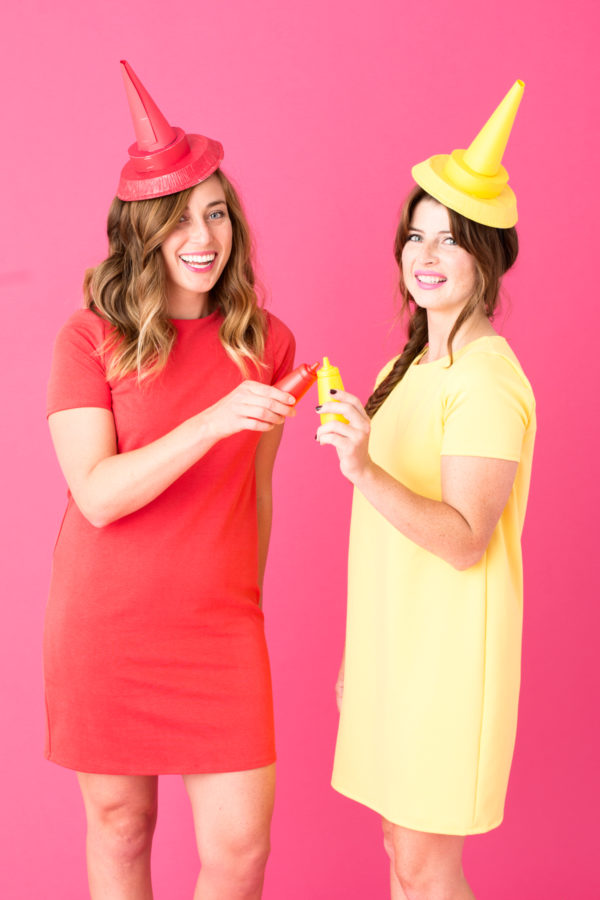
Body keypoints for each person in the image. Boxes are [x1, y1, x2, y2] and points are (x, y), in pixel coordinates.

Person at [44, 61, 295, 900]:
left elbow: (255, 494)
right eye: (179, 218)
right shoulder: (88, 338)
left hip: (220, 627)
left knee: (240, 853)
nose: (203, 236)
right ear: (139, 231)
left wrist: (245, 605)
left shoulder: (269, 343)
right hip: (106, 624)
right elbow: (98, 494)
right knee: (121, 830)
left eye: (216, 213)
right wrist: (214, 419)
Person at [316, 81, 535, 899]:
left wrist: (363, 469)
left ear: (489, 255)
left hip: (447, 662)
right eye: (416, 237)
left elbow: (464, 537)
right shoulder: (399, 368)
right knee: (397, 854)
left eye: (450, 241)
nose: (426, 257)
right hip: (393, 653)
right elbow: (381, 539)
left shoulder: (484, 378)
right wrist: (359, 655)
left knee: (424, 866)